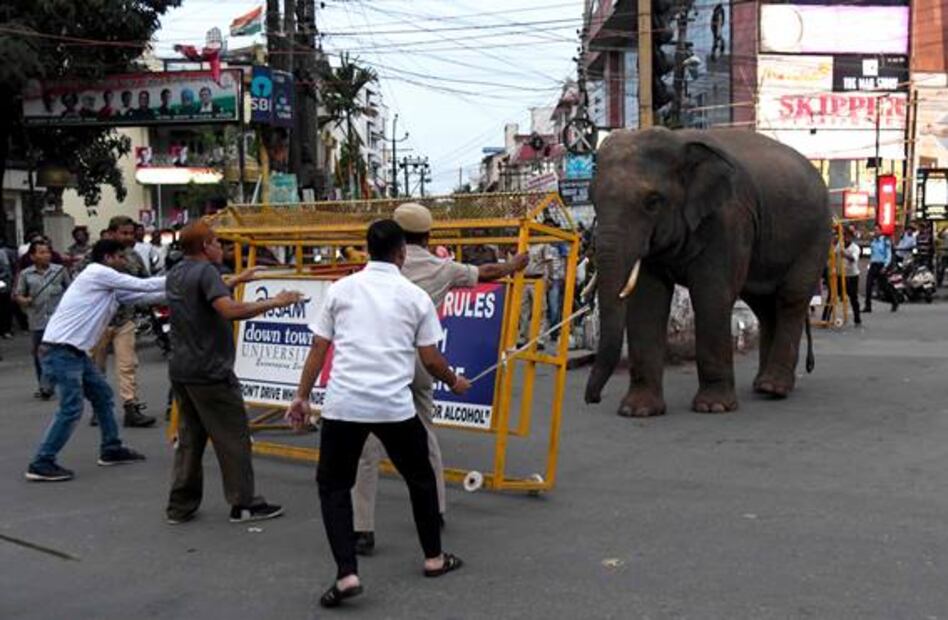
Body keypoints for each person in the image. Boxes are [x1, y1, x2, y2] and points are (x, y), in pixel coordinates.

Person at [286, 220, 470, 609]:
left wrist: (301, 397)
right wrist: (454, 381)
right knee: (420, 478)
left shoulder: (341, 289)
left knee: (334, 486)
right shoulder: (415, 297)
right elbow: (430, 359)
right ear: (401, 254)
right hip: (394, 406)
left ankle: (346, 573)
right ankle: (434, 558)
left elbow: (319, 348)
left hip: (344, 405)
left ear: (367, 249)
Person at [351, 203, 528, 555]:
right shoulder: (442, 268)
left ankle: (362, 528)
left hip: (379, 361)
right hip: (420, 358)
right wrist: (514, 265)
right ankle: (436, 508)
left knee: (367, 445)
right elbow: (487, 272)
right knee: (424, 434)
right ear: (428, 236)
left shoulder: (374, 271)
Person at [165, 221, 301, 524]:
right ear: (205, 246)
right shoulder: (207, 272)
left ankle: (180, 505)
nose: (221, 247)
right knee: (233, 438)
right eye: (216, 242)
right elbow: (229, 310)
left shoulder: (177, 272)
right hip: (211, 370)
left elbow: (203, 293)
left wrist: (239, 278)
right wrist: (275, 302)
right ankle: (244, 503)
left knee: (190, 438)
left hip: (183, 369)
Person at [24, 239, 165, 482]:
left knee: (102, 396)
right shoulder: (98, 272)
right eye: (120, 256)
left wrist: (186, 288)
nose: (125, 261)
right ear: (108, 258)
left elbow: (143, 295)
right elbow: (143, 284)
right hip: (61, 350)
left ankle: (111, 448)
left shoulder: (107, 284)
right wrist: (187, 277)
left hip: (73, 352)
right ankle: (41, 462)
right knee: (71, 408)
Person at [89, 216, 155, 427]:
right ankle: (99, 408)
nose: (128, 237)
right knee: (96, 368)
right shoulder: (94, 256)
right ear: (111, 233)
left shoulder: (134, 256)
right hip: (99, 321)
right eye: (123, 233)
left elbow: (145, 281)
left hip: (125, 319)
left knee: (127, 366)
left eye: (131, 233)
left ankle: (131, 407)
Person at [15, 239, 72, 398]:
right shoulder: (26, 274)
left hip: (58, 320)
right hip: (37, 320)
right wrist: (24, 300)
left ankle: (62, 383)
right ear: (33, 256)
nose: (46, 255)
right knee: (40, 355)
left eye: (48, 252)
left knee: (61, 352)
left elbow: (71, 290)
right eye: (41, 252)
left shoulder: (60, 271)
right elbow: (18, 294)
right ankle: (44, 386)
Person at [864, 225, 898, 313]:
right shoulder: (873, 241)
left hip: (881, 265)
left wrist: (885, 266)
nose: (875, 232)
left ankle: (894, 301)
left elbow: (888, 255)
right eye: (874, 230)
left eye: (877, 230)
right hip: (873, 265)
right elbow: (872, 254)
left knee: (884, 286)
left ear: (881, 231)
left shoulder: (885, 241)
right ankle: (868, 306)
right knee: (868, 285)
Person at [840, 229, 862, 326]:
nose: (846, 238)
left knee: (853, 297)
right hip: (841, 274)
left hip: (852, 275)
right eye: (844, 236)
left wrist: (845, 255)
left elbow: (853, 259)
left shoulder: (855, 248)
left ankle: (857, 319)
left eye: (848, 236)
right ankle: (826, 317)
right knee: (832, 295)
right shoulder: (840, 245)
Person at [0, 241, 13, 339]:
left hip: (2, 283)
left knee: (4, 307)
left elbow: (7, 270)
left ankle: (6, 330)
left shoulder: (1, 253)